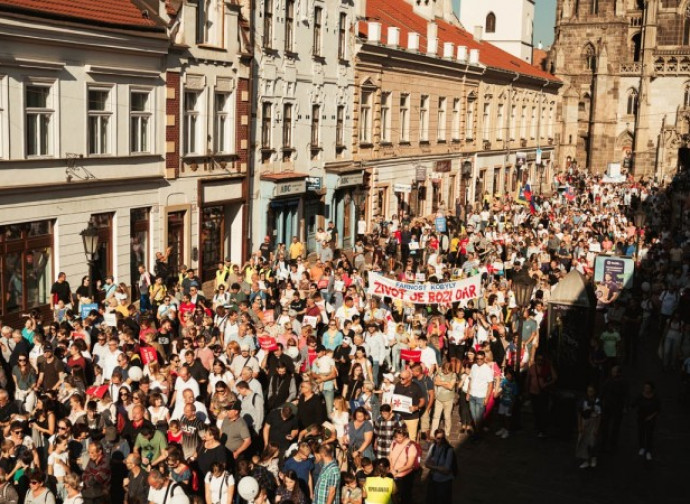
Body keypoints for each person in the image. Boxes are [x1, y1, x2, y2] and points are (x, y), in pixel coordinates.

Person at [466, 350, 494, 438]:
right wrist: (468, 393)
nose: (479, 360)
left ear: (484, 359)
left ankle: (477, 434)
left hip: (481, 397)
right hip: (472, 395)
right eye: (477, 358)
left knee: (478, 418)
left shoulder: (487, 369)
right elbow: (470, 380)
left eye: (481, 359)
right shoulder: (474, 366)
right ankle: (478, 431)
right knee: (474, 416)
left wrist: (487, 398)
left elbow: (490, 385)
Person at [424, 429, 454, 502]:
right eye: (438, 438)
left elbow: (446, 470)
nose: (440, 440)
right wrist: (439, 468)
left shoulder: (449, 450)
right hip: (433, 480)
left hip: (444, 482)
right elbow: (426, 463)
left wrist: (433, 467)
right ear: (435, 437)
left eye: (442, 438)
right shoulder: (433, 446)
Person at [634, 381, 661, 461]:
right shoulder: (640, 396)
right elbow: (634, 403)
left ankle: (649, 450)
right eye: (645, 387)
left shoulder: (655, 398)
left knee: (649, 435)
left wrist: (651, 416)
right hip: (641, 417)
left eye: (648, 388)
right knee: (641, 433)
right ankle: (642, 447)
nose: (646, 389)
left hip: (650, 419)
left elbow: (658, 409)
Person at [388, 428, 418, 498]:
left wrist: (397, 471)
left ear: (405, 436)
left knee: (405, 496)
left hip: (405, 476)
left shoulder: (411, 447)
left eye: (400, 438)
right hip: (393, 474)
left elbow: (409, 465)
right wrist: (392, 468)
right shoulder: (394, 442)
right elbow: (390, 456)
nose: (397, 439)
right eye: (396, 437)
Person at [576, 385, 601, 469]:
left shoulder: (597, 402)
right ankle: (586, 459)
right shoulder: (583, 401)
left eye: (591, 391)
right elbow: (579, 413)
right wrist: (580, 425)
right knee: (583, 441)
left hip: (593, 423)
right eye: (588, 391)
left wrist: (597, 428)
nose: (590, 393)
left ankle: (593, 458)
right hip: (585, 422)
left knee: (593, 442)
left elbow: (599, 416)